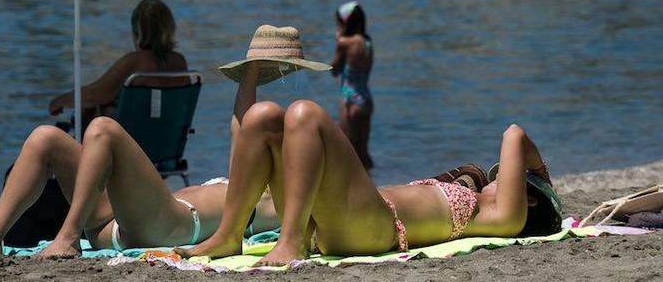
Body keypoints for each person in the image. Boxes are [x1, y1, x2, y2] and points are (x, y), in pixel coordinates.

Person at [0, 25, 331, 257]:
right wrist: (252, 71)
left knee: (103, 129)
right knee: (46, 138)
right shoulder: (248, 175)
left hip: (168, 224)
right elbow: (243, 122)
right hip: (119, 225)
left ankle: (68, 236)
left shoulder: (282, 200)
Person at [178, 102, 561, 266]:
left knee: (305, 115)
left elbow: (515, 134)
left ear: (527, 200)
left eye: (504, 179)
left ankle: (291, 239)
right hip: (347, 218)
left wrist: (540, 176)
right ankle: (230, 234)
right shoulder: (485, 204)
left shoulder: (504, 217)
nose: (494, 181)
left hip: (378, 229)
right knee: (262, 117)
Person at [48, 0, 187, 129]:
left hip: (130, 144)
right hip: (166, 144)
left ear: (137, 32)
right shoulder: (180, 63)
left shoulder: (135, 61)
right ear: (170, 29)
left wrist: (59, 101)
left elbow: (94, 95)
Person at [331, 1, 374, 169]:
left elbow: (334, 69)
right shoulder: (367, 41)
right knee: (363, 152)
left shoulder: (345, 43)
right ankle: (373, 183)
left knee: (346, 150)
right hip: (365, 99)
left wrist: (338, 40)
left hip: (350, 99)